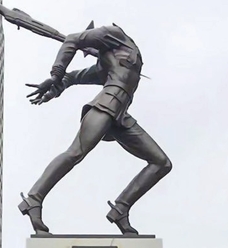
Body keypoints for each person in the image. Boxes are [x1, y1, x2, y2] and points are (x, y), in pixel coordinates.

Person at [20, 24, 172, 235]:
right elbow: (72, 41)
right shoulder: (113, 34)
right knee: (75, 153)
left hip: (121, 116)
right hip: (105, 106)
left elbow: (73, 77)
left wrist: (59, 84)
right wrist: (55, 77)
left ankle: (121, 209)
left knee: (161, 163)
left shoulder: (120, 57)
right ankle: (34, 199)